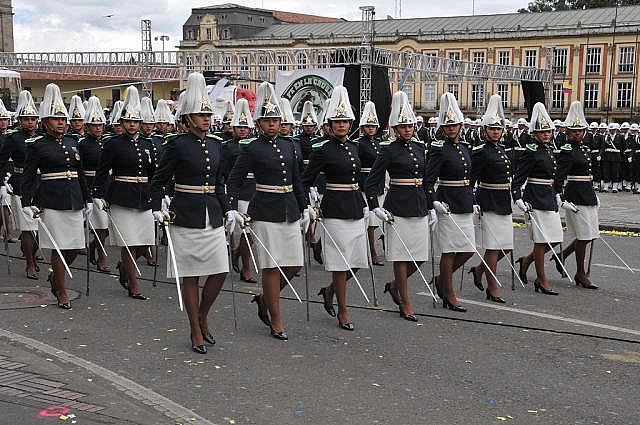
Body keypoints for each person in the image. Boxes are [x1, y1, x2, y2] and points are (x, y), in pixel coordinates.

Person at [150, 72, 230, 354]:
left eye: (208, 114)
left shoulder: (216, 144)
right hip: (184, 214)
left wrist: (228, 209)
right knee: (191, 275)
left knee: (220, 271)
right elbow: (158, 181)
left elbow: (219, 182)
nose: (206, 119)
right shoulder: (176, 145)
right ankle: (195, 330)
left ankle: (202, 315)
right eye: (200, 114)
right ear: (187, 118)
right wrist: (158, 207)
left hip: (212, 214)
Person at [226, 82, 306, 340]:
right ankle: (277, 318)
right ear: (258, 123)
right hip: (265, 210)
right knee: (272, 266)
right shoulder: (251, 147)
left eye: (275, 119)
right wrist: (232, 208)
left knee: (294, 265)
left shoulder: (291, 145)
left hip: (290, 209)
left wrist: (304, 207)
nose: (272, 124)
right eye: (266, 120)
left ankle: (265, 299)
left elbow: (297, 179)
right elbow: (234, 180)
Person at [302, 85, 367, 330]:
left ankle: (329, 292)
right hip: (335, 208)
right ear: (329, 124)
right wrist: (306, 202)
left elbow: (359, 178)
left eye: (345, 121)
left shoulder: (354, 147)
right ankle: (343, 310)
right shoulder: (323, 149)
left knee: (358, 260)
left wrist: (368, 202)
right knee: (341, 263)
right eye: (337, 121)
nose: (342, 125)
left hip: (354, 206)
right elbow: (306, 178)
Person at [21, 83, 90, 309]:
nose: (61, 122)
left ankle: (54, 277)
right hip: (51, 201)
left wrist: (87, 198)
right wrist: (26, 202)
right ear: (45, 122)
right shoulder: (37, 145)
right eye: (55, 118)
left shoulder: (72, 142)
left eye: (63, 119)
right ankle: (61, 290)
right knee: (59, 247)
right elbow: (29, 176)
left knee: (75, 247)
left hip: (74, 199)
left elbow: (79, 173)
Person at [366, 91, 431, 321]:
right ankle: (404, 300)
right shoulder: (388, 150)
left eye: (410, 125)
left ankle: (395, 286)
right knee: (401, 256)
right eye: (402, 126)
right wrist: (375, 206)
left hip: (419, 205)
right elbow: (372, 181)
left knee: (420, 256)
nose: (407, 129)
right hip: (398, 207)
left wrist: (431, 205)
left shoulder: (421, 148)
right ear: (395, 128)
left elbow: (427, 179)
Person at [93, 86, 155, 300]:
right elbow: (102, 171)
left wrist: (159, 195)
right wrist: (98, 195)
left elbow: (154, 173)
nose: (132, 125)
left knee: (146, 241)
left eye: (135, 121)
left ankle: (125, 269)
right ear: (122, 123)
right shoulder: (113, 144)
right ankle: (134, 284)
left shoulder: (148, 144)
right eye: (128, 121)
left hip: (143, 197)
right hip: (121, 196)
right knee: (129, 243)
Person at [424, 92, 475, 312]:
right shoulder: (439, 149)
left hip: (464, 202)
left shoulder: (464, 147)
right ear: (443, 128)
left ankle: (441, 280)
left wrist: (474, 198)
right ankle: (449, 293)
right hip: (448, 205)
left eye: (455, 125)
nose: (452, 129)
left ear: (460, 125)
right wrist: (433, 202)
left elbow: (469, 177)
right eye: (448, 126)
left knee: (468, 249)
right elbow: (428, 179)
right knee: (449, 250)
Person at [513, 102, 563, 296]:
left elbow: (555, 176)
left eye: (548, 132)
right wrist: (517, 197)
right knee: (542, 241)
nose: (546, 135)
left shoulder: (550, 150)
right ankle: (542, 280)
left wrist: (559, 194)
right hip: (534, 199)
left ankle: (526, 261)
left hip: (549, 198)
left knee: (554, 238)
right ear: (534, 134)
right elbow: (518, 178)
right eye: (542, 132)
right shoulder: (530, 152)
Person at [468, 94, 512, 303]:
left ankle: (478, 270)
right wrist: (474, 201)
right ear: (485, 130)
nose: (496, 131)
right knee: (493, 246)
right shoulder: (481, 152)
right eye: (492, 128)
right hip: (489, 200)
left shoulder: (502, 150)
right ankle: (492, 286)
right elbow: (470, 179)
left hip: (503, 200)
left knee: (506, 245)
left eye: (498, 128)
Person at [553, 101, 599, 289]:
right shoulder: (567, 151)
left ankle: (562, 256)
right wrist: (560, 197)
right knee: (584, 236)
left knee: (591, 235)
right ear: (567, 132)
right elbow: (559, 177)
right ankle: (580, 273)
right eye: (573, 130)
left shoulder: (584, 149)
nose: (577, 133)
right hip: (575, 197)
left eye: (580, 130)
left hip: (588, 195)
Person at [0, 90, 40, 279]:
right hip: (20, 184)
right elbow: (1, 161)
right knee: (27, 227)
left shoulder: (42, 137)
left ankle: (31, 250)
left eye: (33, 118)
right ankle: (30, 263)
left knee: (39, 226)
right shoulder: (13, 138)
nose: (30, 122)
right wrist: (2, 182)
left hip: (41, 184)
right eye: (26, 119)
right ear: (20, 120)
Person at [221, 98, 257, 284]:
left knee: (252, 234)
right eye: (239, 127)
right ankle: (246, 268)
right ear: (233, 128)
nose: (242, 130)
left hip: (256, 190)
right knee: (246, 232)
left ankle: (237, 254)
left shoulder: (257, 145)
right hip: (239, 191)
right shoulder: (228, 147)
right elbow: (224, 172)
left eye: (245, 127)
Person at [79, 96, 110, 272]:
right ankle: (102, 258)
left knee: (106, 227)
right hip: (91, 184)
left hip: (107, 184)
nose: (98, 128)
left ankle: (93, 248)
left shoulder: (108, 142)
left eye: (100, 125)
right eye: (94, 125)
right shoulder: (82, 144)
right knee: (100, 225)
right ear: (88, 126)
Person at [357, 101, 384, 265]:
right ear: (362, 127)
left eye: (373, 126)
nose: (370, 128)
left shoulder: (379, 143)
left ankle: (370, 249)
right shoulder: (359, 144)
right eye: (367, 126)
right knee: (370, 222)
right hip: (365, 183)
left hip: (379, 184)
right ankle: (372, 252)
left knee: (375, 222)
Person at [601, 123, 623, 193]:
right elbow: (603, 147)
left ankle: (614, 187)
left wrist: (621, 156)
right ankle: (606, 187)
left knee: (615, 172)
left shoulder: (620, 137)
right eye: (611, 130)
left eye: (613, 130)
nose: (612, 131)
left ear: (616, 130)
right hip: (607, 157)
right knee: (606, 172)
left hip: (616, 157)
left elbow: (623, 147)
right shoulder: (606, 137)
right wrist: (600, 155)